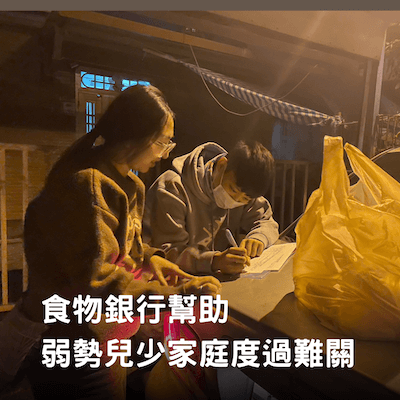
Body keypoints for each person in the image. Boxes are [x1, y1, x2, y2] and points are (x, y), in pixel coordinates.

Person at [0, 84, 221, 400]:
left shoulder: (130, 184)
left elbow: (122, 249)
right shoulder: (89, 186)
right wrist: (179, 296)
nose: (165, 153)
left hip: (108, 341)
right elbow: (98, 282)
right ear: (134, 137)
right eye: (162, 142)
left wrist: (151, 259)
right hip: (76, 346)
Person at [144, 140, 279, 276]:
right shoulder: (173, 186)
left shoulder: (244, 186)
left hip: (208, 276)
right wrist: (214, 261)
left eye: (245, 199)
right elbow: (168, 252)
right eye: (232, 190)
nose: (235, 200)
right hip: (160, 276)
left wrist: (258, 238)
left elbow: (266, 221)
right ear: (222, 165)